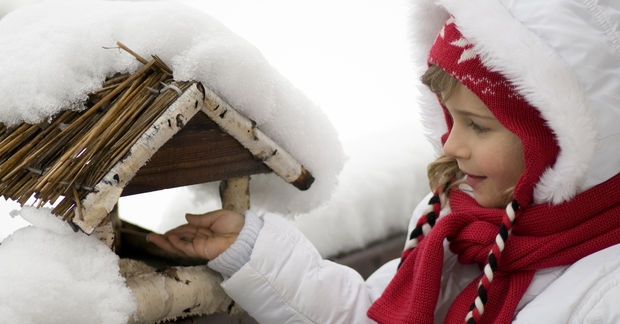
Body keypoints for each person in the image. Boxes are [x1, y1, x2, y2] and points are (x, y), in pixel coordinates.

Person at [148, 0, 620, 323]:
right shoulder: (452, 223)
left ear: (559, 140)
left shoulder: (603, 293)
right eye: (450, 119)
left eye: (477, 125)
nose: (451, 146)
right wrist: (256, 253)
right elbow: (380, 313)